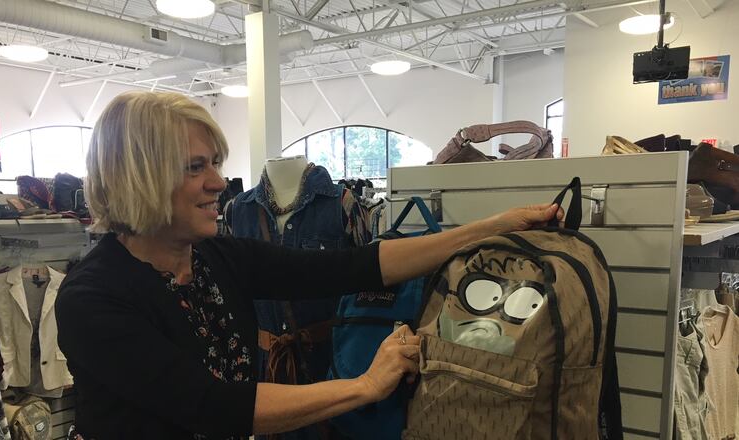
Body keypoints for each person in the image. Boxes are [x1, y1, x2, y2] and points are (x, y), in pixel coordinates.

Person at [56, 91, 564, 440]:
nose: (218, 182)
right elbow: (213, 406)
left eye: (215, 162)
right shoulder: (94, 298)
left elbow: (356, 267)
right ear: (138, 176)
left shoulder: (216, 257)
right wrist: (366, 385)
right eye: (196, 167)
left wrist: (495, 227)